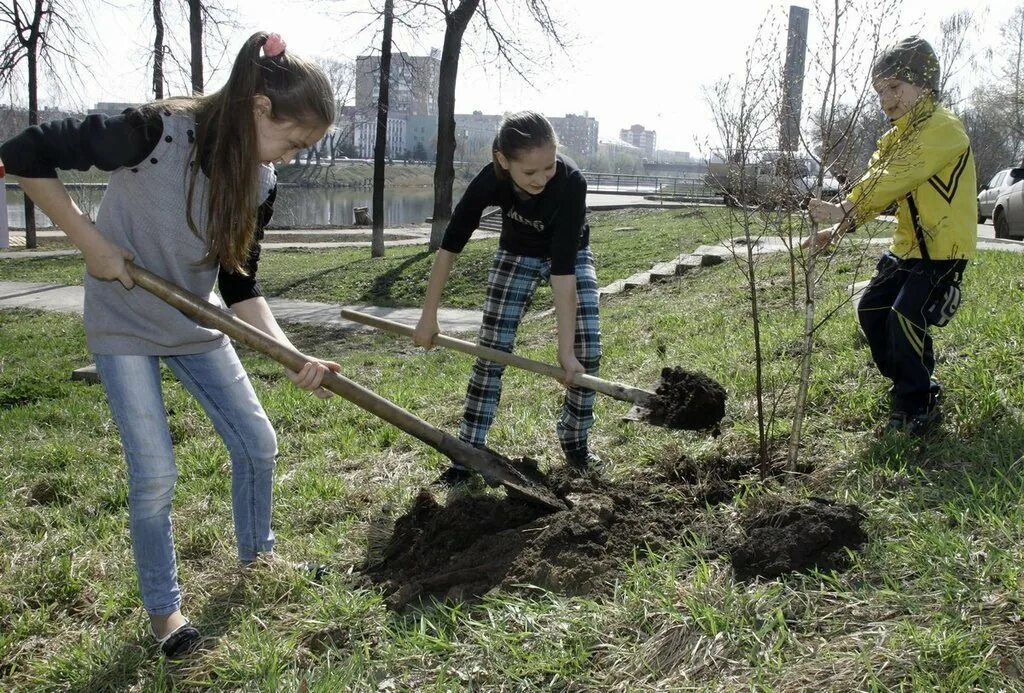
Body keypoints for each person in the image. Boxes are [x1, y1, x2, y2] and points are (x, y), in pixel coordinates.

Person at [0, 32, 340, 658]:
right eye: (294, 141)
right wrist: (90, 243)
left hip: (195, 323)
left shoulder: (260, 185)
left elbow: (240, 285)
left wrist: (292, 353)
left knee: (258, 441)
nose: (292, 158)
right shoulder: (152, 132)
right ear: (259, 108)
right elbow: (23, 152)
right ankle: (167, 615)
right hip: (124, 323)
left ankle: (258, 558)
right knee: (155, 472)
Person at [413, 111, 601, 483]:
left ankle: (575, 442)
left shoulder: (570, 183)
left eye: (548, 168)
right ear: (503, 159)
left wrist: (565, 352)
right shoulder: (488, 181)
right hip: (516, 254)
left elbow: (564, 272)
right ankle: (467, 454)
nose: (541, 179)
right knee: (491, 352)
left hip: (570, 255)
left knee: (586, 353)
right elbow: (449, 248)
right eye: (529, 173)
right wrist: (427, 316)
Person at [805, 36, 977, 436]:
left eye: (895, 87)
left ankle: (917, 401)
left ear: (924, 85)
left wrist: (844, 207)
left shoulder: (943, 129)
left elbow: (896, 176)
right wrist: (840, 225)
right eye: (880, 91)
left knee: (905, 315)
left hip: (942, 250)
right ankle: (911, 381)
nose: (886, 99)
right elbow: (877, 181)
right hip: (907, 246)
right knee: (872, 310)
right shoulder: (895, 136)